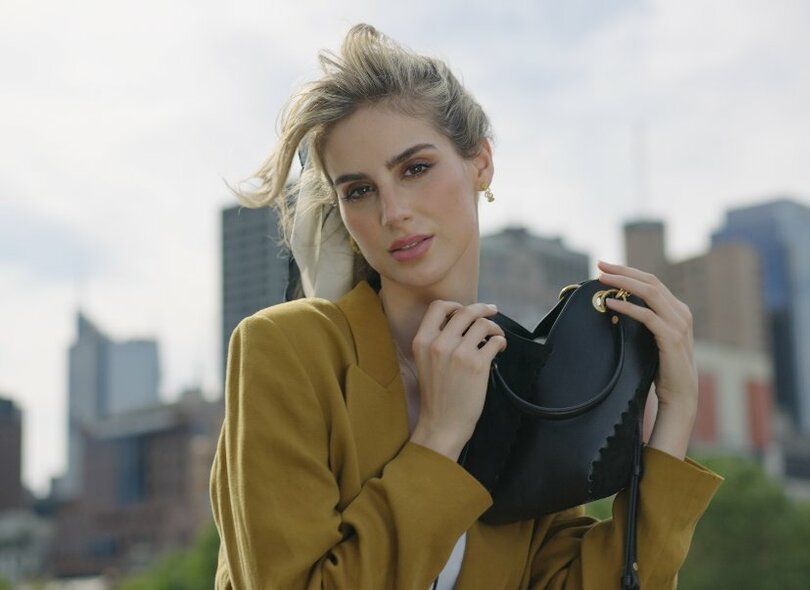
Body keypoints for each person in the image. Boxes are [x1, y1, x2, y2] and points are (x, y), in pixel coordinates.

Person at [210, 23, 722, 590]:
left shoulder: (522, 384)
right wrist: (441, 435)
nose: (393, 211)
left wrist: (674, 412)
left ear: (480, 162)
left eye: (415, 168)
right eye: (359, 190)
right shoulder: (288, 350)